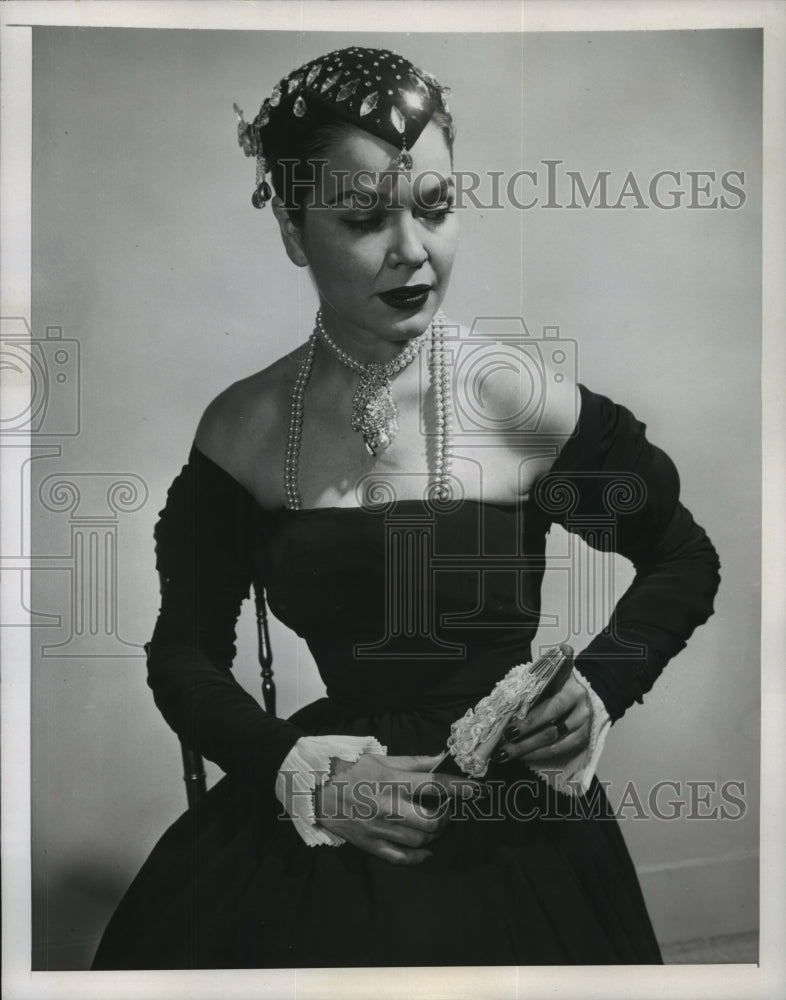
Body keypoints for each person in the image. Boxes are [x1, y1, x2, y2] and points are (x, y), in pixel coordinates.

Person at [92, 46, 721, 969]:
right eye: (362, 218)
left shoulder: (516, 395)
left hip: (516, 822)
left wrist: (600, 686)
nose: (412, 251)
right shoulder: (244, 427)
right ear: (295, 233)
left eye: (434, 207)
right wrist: (296, 772)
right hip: (338, 806)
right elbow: (183, 652)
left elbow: (682, 555)